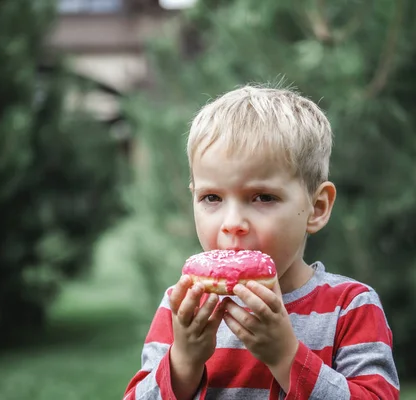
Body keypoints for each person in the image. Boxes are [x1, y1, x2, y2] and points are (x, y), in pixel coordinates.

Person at [123, 85, 399, 399]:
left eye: (263, 198)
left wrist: (286, 357)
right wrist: (183, 362)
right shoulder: (183, 307)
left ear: (317, 208)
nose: (232, 224)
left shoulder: (349, 307)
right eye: (212, 197)